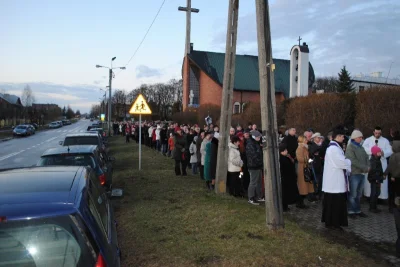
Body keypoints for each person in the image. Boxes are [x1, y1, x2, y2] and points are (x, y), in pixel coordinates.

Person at [321, 128, 351, 230]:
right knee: (335, 204)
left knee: (332, 203)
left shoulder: (334, 147)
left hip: (334, 181)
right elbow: (341, 163)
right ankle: (335, 223)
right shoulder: (334, 149)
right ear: (338, 136)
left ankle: (331, 222)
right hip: (335, 182)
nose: (343, 138)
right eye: (342, 136)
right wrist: (348, 162)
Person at [362, 126, 393, 199]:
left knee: (381, 180)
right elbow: (363, 149)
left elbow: (390, 150)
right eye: (376, 133)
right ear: (373, 132)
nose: (377, 134)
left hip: (381, 163)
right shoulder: (368, 140)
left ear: (381, 133)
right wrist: (373, 152)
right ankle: (369, 196)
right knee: (370, 179)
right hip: (371, 163)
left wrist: (382, 153)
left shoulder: (385, 140)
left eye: (379, 133)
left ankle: (381, 197)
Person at [345, 130, 369, 218]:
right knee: (353, 194)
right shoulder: (350, 147)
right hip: (354, 173)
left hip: (362, 173)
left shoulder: (360, 147)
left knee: (359, 194)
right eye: (360, 137)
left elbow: (366, 157)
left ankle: (358, 210)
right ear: (355, 138)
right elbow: (352, 160)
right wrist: (365, 167)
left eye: (362, 137)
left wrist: (368, 166)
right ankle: (351, 211)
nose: (361, 138)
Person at [246, 130, 264, 205]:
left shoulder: (255, 143)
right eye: (258, 137)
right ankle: (251, 197)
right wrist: (261, 160)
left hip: (258, 165)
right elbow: (254, 156)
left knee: (259, 181)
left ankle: (259, 196)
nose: (259, 138)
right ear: (253, 137)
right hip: (253, 166)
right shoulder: (250, 144)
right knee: (253, 182)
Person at [279, 143, 299, 211]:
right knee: (285, 193)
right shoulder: (282, 159)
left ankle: (285, 206)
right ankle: (284, 207)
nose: (287, 151)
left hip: (288, 178)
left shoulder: (285, 157)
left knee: (286, 193)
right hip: (286, 178)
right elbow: (287, 168)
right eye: (285, 150)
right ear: (282, 151)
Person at [296, 136, 315, 206]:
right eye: (305, 140)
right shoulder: (300, 148)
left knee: (306, 185)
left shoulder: (305, 147)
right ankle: (300, 202)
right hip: (302, 169)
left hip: (306, 168)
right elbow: (300, 159)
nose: (306, 141)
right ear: (302, 140)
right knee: (302, 187)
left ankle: (301, 202)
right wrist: (308, 160)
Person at [368, 146, 386, 213]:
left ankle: (374, 207)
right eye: (379, 152)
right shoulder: (373, 161)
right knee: (374, 193)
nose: (380, 153)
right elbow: (373, 172)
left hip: (377, 179)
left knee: (377, 193)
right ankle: (372, 208)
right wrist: (380, 178)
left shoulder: (377, 159)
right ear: (375, 153)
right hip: (375, 180)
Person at [309, 132, 324, 199]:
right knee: (315, 179)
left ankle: (320, 193)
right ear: (314, 138)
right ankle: (316, 192)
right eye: (318, 138)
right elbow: (312, 153)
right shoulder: (312, 144)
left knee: (320, 179)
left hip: (320, 163)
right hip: (314, 164)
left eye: (320, 138)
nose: (319, 139)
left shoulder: (320, 144)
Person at [388, 134, 400, 213]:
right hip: (397, 176)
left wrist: (390, 175)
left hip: (393, 177)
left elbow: (390, 167)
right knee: (398, 193)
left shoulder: (393, 156)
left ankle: (392, 207)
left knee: (392, 192)